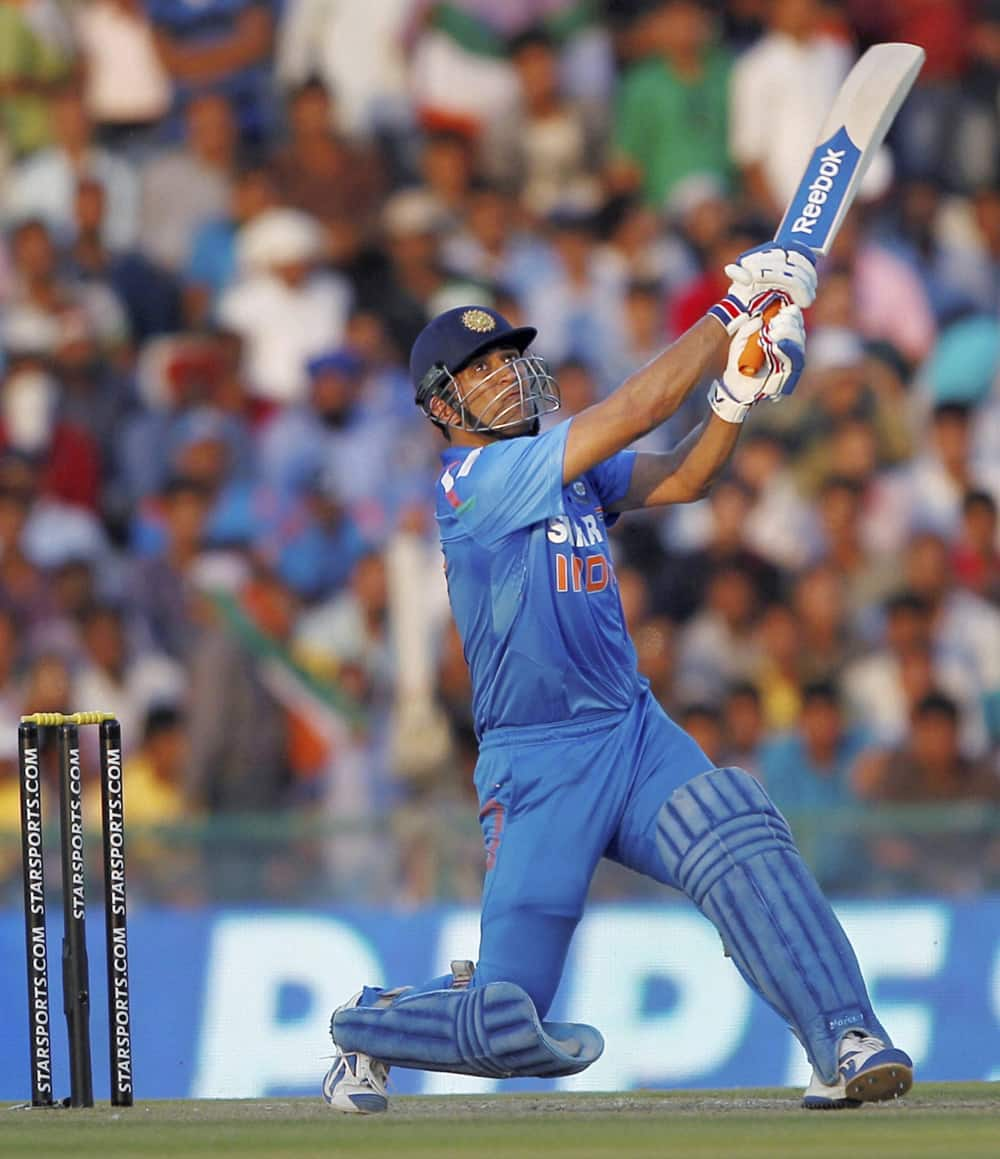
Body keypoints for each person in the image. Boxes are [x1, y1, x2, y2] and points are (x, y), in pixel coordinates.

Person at [321, 242, 913, 1114]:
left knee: (739, 833)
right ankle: (363, 1028)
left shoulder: (567, 466)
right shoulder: (474, 481)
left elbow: (690, 475)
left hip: (631, 731)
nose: (507, 376)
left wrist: (734, 394)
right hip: (537, 765)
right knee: (508, 1017)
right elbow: (639, 406)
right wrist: (727, 312)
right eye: (480, 371)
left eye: (508, 359)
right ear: (440, 406)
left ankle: (846, 1040)